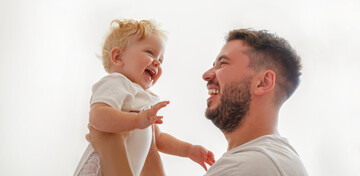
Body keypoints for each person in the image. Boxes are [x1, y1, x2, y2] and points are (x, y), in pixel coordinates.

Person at [87, 28, 308, 175]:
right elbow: (153, 141)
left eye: (222, 64)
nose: (206, 74)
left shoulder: (253, 165)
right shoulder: (264, 159)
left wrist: (111, 146)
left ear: (263, 82)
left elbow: (157, 140)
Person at [74, 19, 215, 176]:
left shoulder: (141, 99)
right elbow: (97, 116)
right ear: (118, 57)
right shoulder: (116, 82)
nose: (157, 62)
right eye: (150, 52)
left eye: (161, 60)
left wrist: (188, 150)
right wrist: (137, 120)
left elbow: (158, 138)